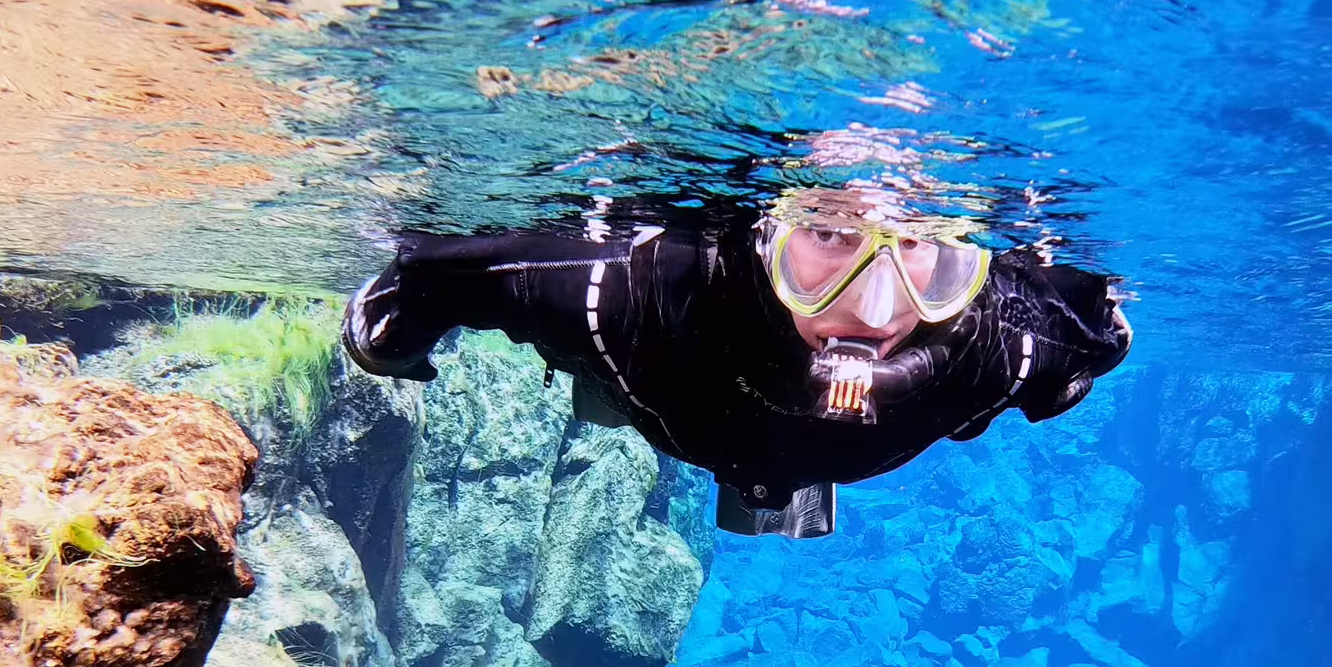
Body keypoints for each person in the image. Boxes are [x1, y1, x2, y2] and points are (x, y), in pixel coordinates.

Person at [342, 195, 1132, 538]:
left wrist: (387, 346)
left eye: (923, 247)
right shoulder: (623, 295)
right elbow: (426, 283)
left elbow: (1093, 347)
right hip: (657, 385)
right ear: (764, 236)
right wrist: (387, 346)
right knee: (600, 384)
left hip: (684, 417)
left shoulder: (1003, 349)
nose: (883, 309)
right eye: (829, 237)